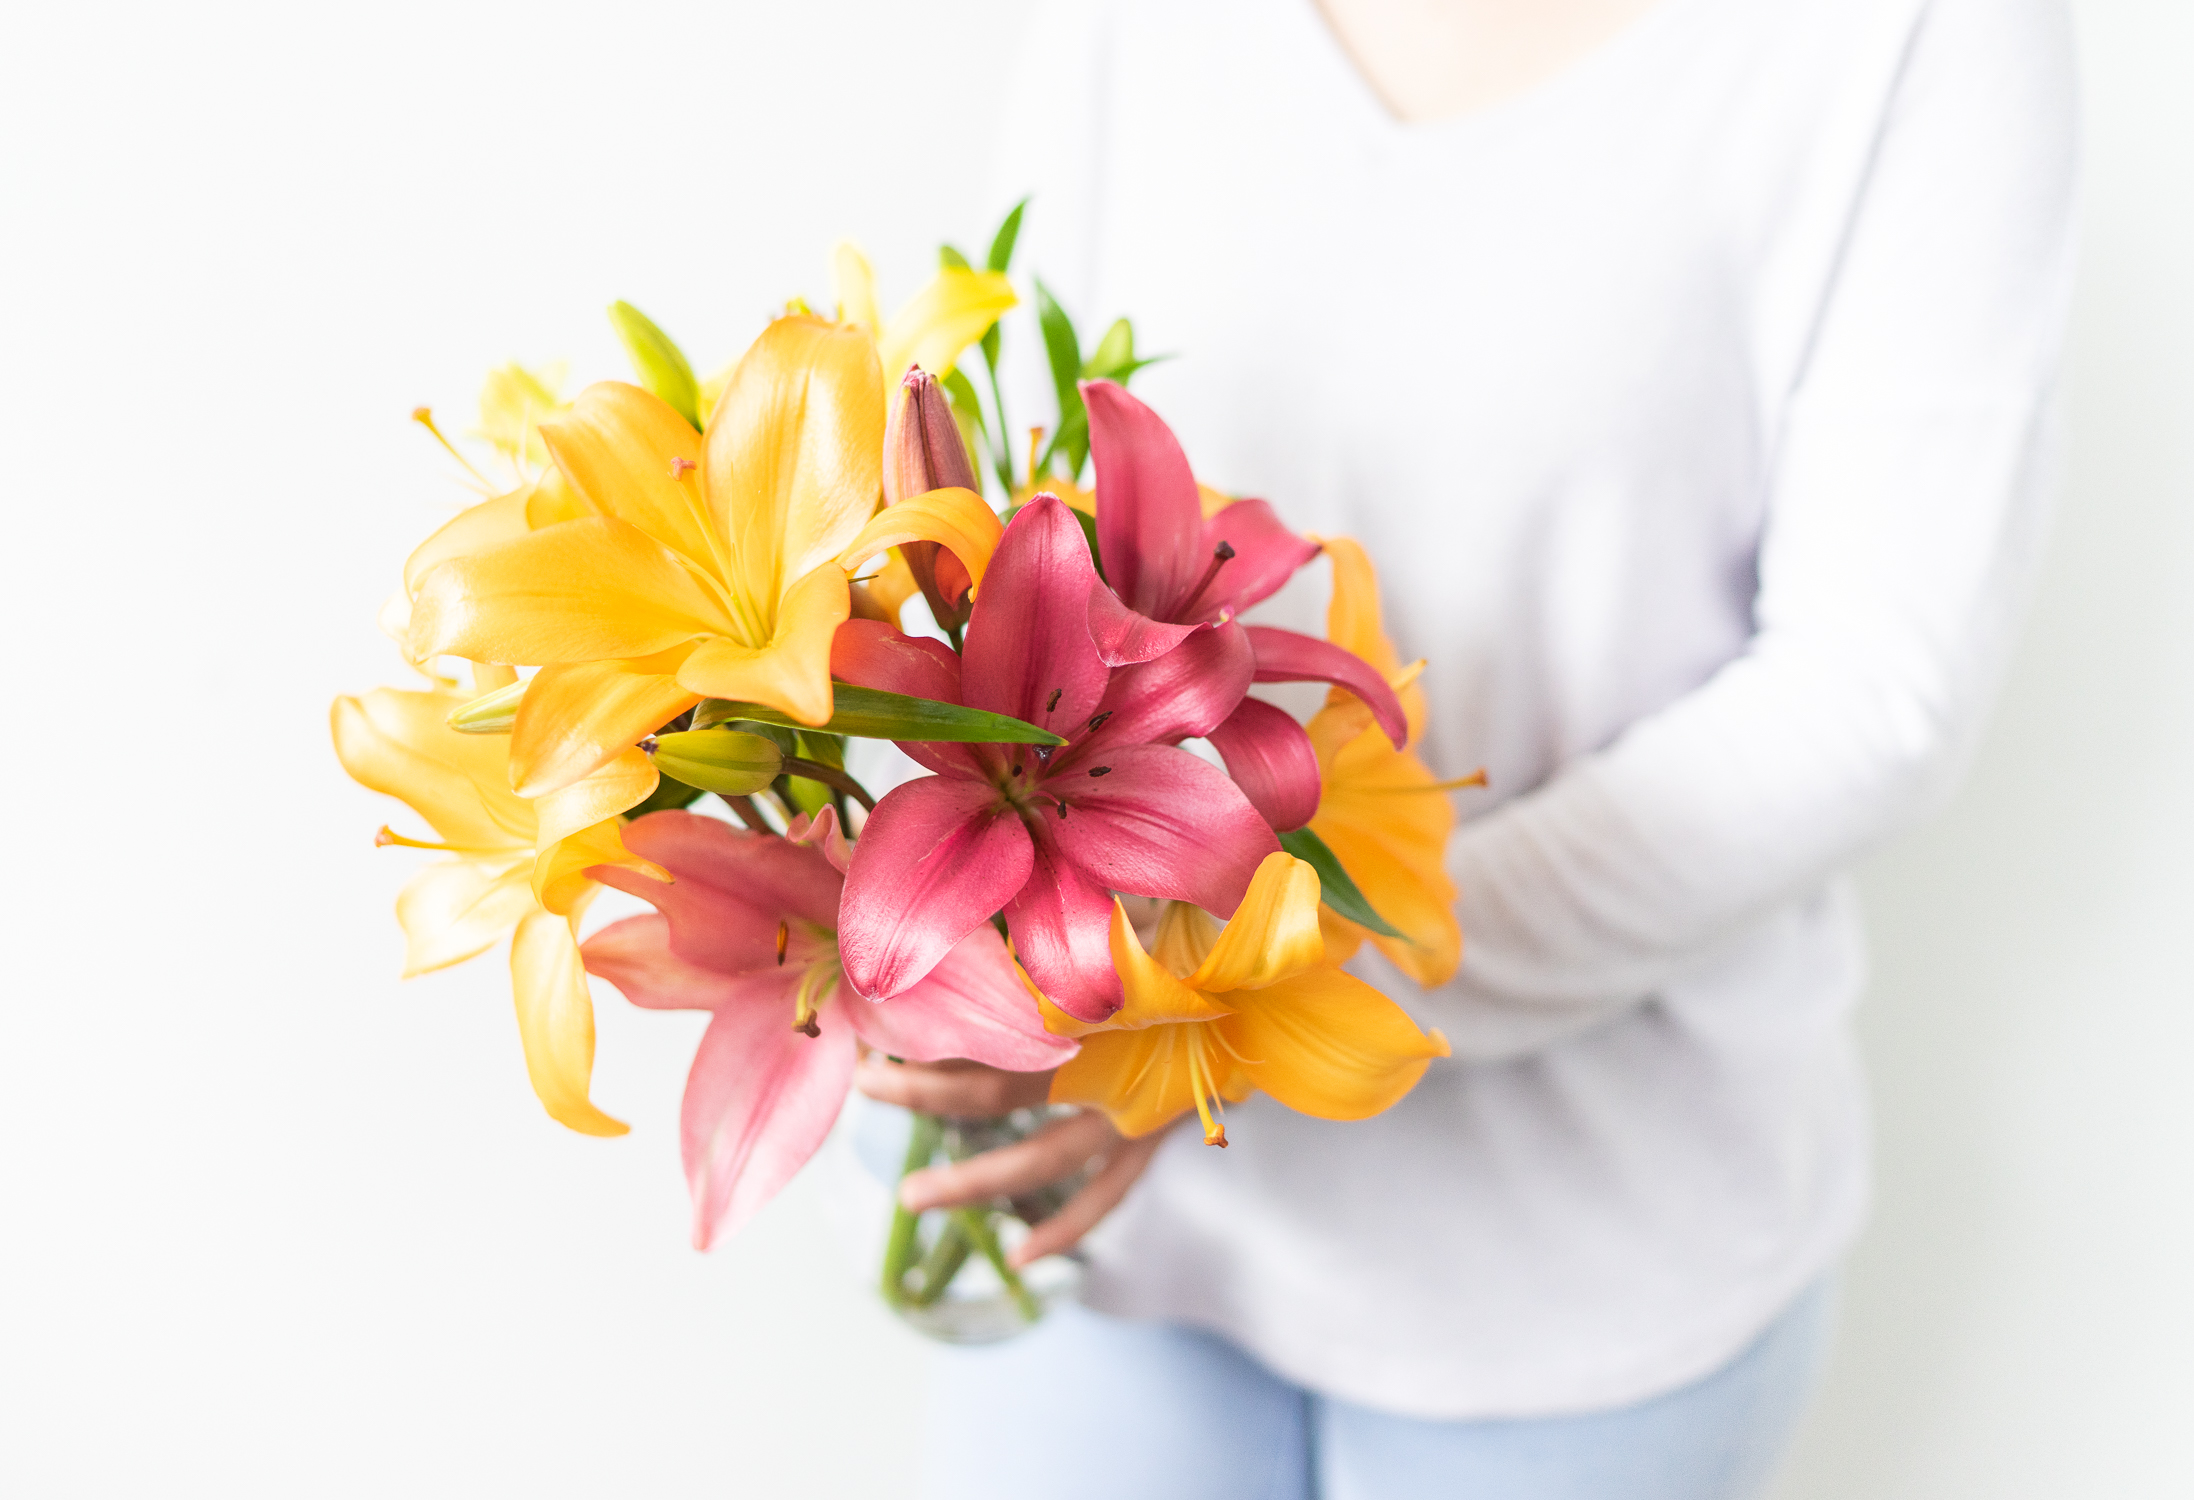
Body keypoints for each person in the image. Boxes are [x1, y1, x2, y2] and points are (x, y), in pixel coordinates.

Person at [855, 1, 2079, 1494]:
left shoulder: (1915, 35)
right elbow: (1012, 510)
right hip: (1100, 1243)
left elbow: (1870, 697)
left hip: (1581, 1257)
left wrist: (1222, 1019)